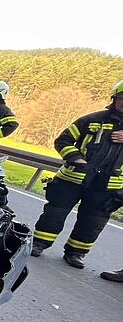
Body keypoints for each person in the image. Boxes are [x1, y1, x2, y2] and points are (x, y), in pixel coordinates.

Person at [30, 79, 123, 268]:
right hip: (73, 178)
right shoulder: (91, 119)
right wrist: (77, 160)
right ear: (114, 98)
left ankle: (76, 253)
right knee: (55, 212)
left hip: (107, 185)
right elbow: (63, 140)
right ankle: (39, 243)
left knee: (93, 221)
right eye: (122, 98)